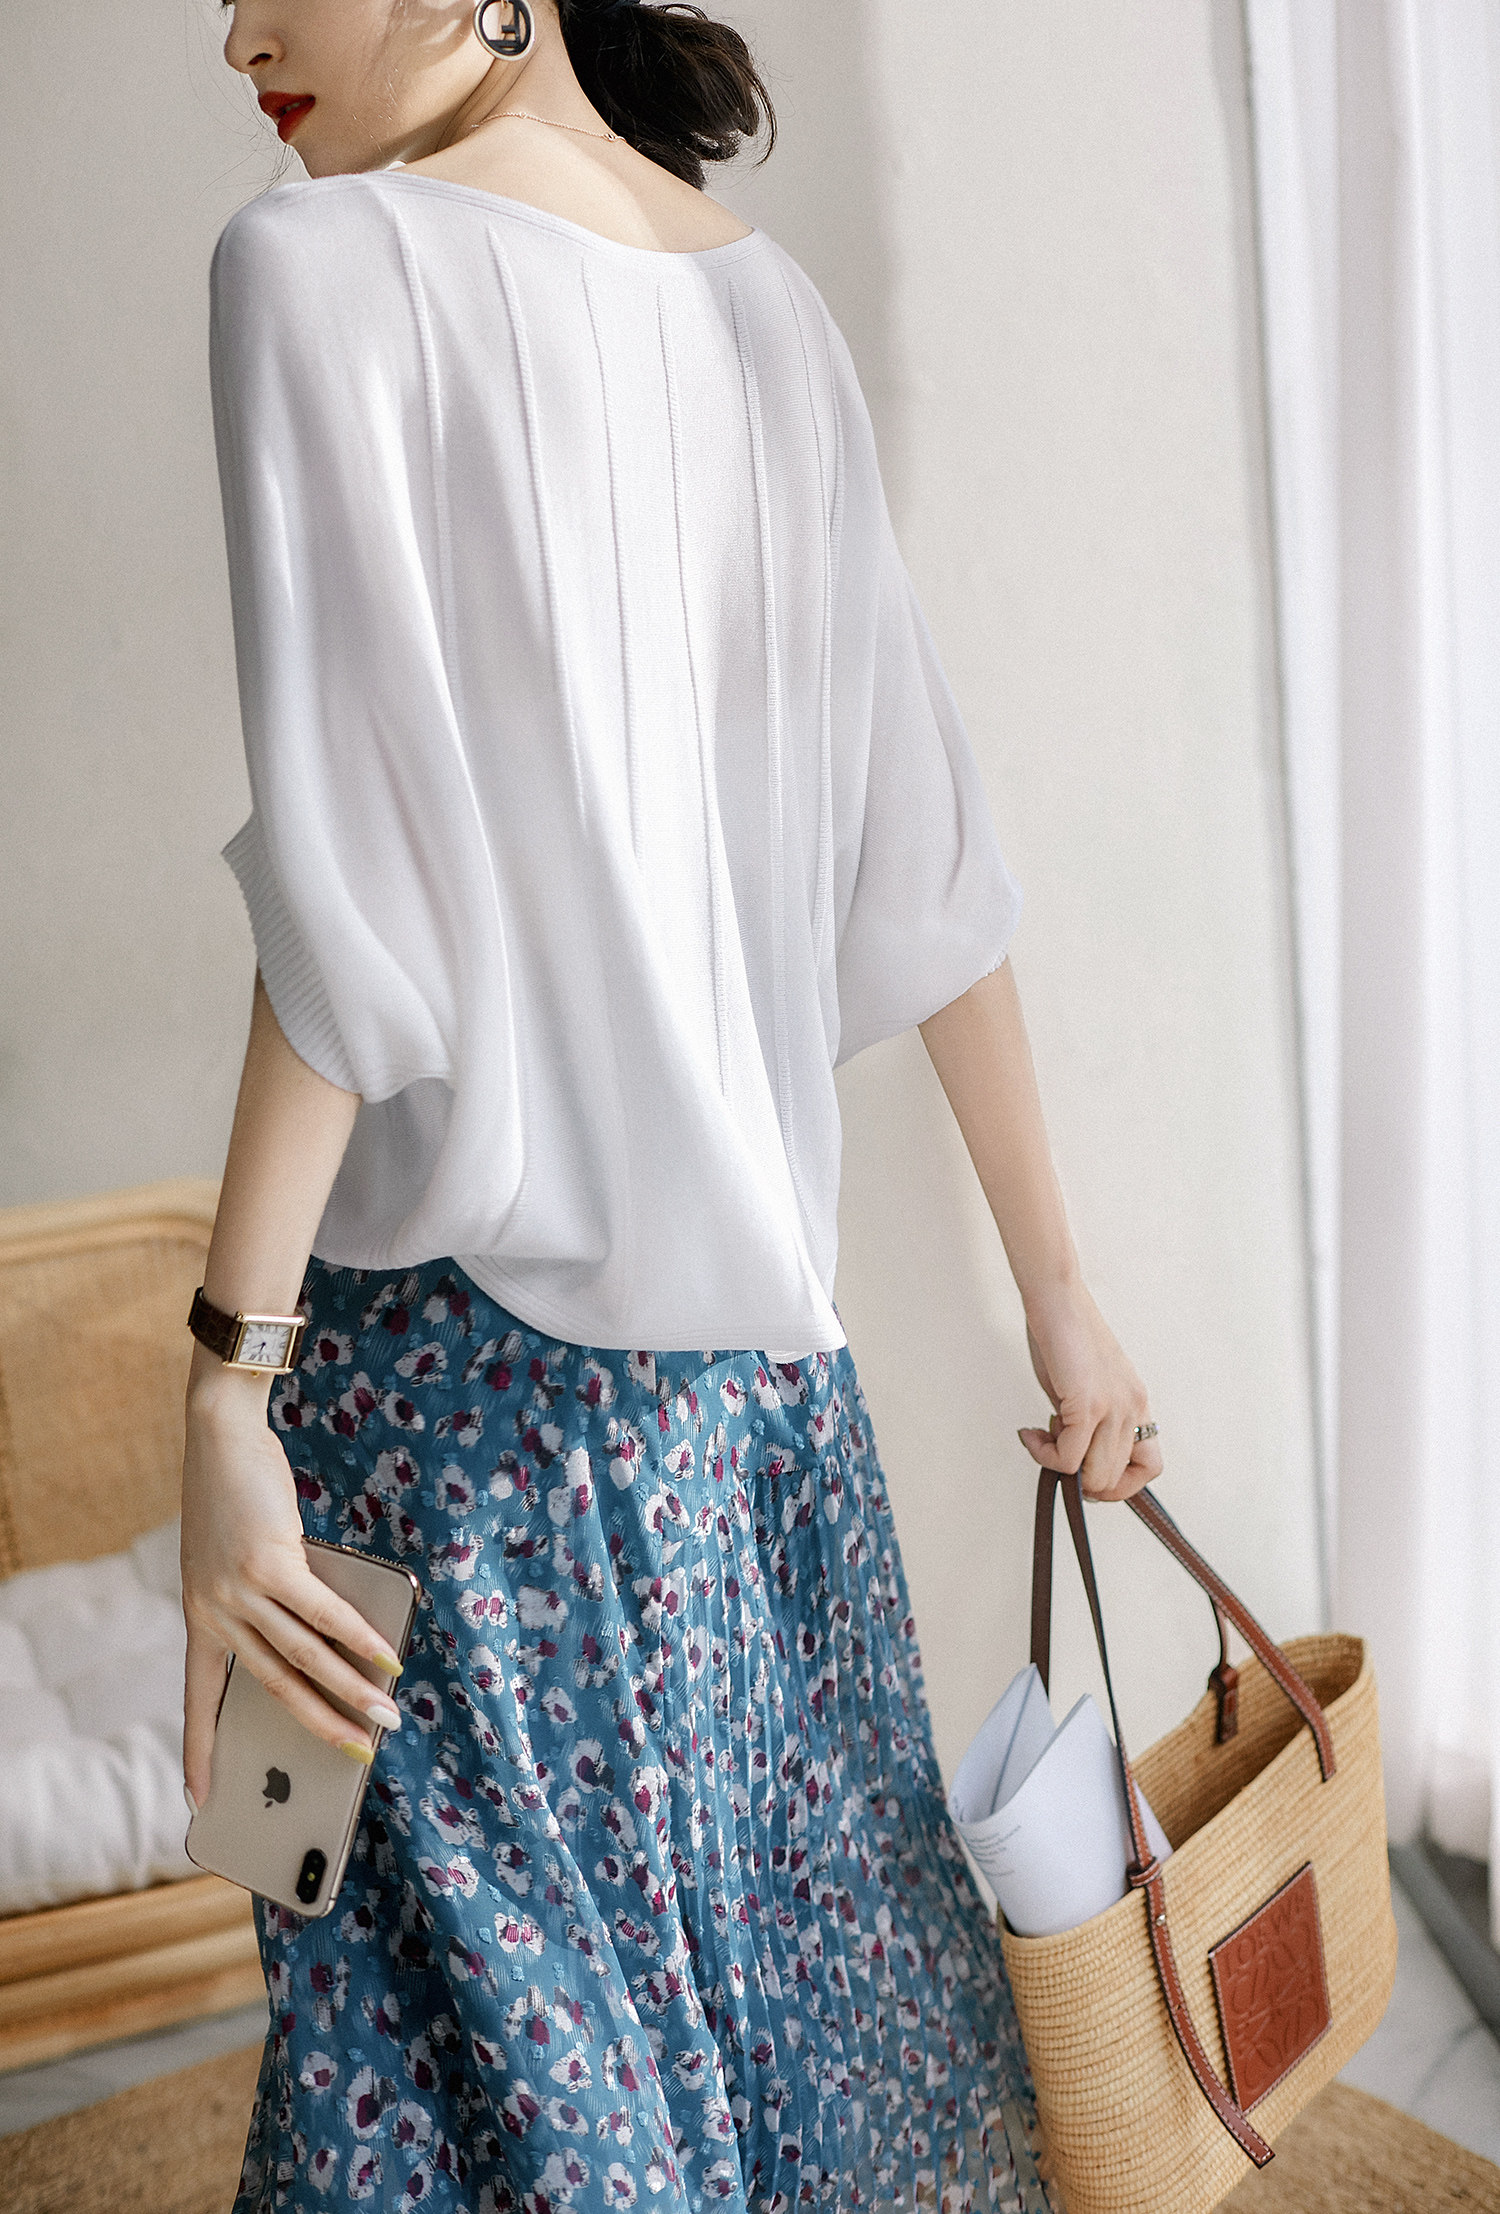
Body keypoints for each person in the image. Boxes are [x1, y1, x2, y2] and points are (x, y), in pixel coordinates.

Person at [183, 3, 1163, 2209]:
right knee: (773, 2101)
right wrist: (1061, 1296)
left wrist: (225, 1383)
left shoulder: (309, 267)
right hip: (759, 1451)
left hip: (426, 1427)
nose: (233, 34)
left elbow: (348, 912)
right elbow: (935, 875)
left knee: (394, 2075)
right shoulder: (768, 310)